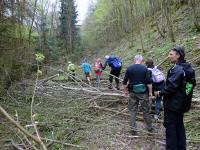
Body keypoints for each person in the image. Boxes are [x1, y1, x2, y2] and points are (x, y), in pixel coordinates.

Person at [154, 46, 196, 150]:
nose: (169, 56)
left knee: (171, 128)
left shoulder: (177, 69)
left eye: (171, 54)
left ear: (178, 56)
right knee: (180, 126)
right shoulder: (189, 67)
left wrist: (159, 92)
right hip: (182, 104)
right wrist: (184, 95)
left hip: (173, 105)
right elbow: (190, 85)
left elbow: (171, 88)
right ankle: (182, 147)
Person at [123, 55, 154, 135]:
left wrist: (125, 91)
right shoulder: (144, 68)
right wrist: (150, 93)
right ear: (142, 60)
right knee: (145, 110)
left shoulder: (129, 68)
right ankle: (149, 128)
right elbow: (149, 83)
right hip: (143, 92)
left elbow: (125, 81)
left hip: (132, 92)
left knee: (132, 110)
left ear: (135, 60)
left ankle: (133, 129)